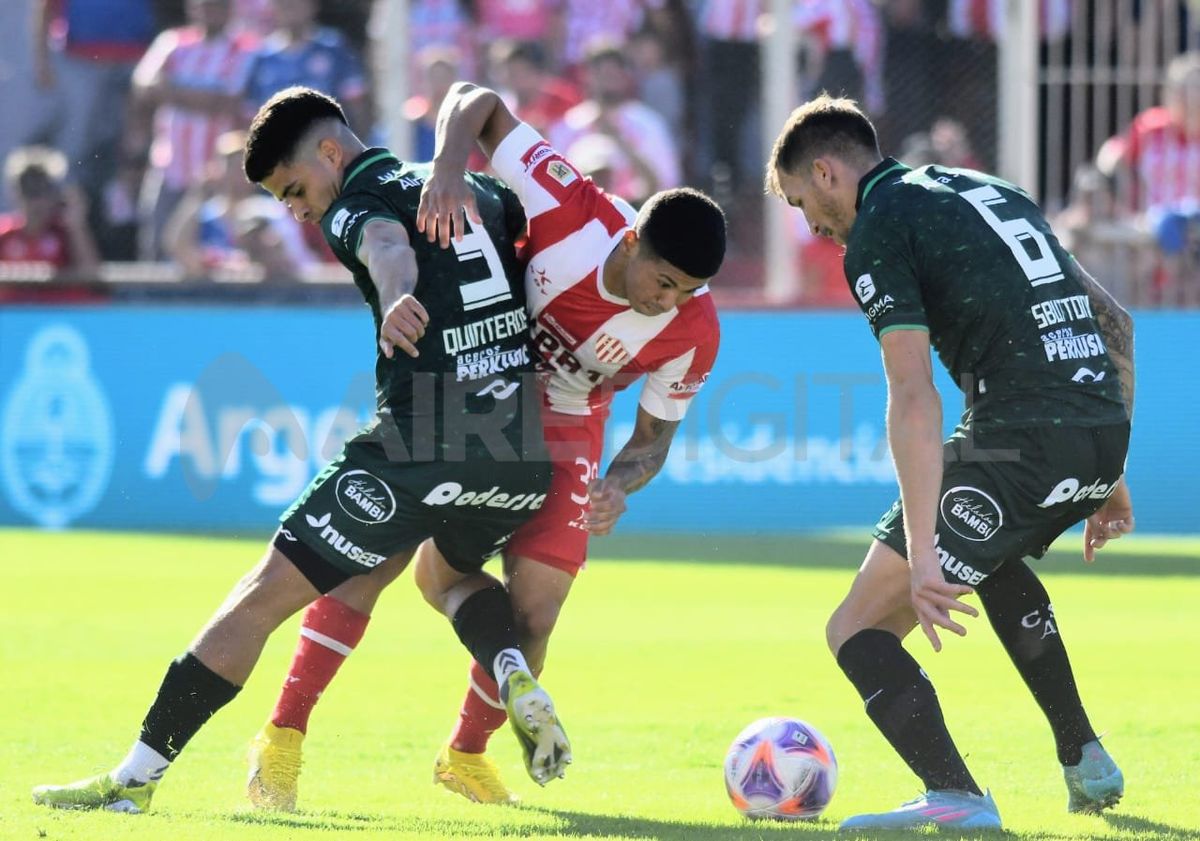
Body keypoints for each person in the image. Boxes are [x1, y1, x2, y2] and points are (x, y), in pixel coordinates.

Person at [31, 86, 569, 814]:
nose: (298, 210)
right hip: (518, 452)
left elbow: (385, 245)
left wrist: (399, 291)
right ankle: (508, 663)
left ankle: (134, 780)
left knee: (260, 596)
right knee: (443, 577)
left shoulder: (356, 201)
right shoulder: (477, 188)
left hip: (423, 439)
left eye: (293, 190)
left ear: (329, 152)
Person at [244, 82, 725, 810]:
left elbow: (652, 441)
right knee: (371, 560)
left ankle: (465, 755)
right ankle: (282, 740)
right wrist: (444, 168)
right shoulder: (574, 210)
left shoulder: (695, 332)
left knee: (537, 610)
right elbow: (475, 97)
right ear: (633, 242)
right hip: (465, 378)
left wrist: (622, 484)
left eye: (686, 291)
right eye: (663, 282)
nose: (669, 302)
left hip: (566, 425)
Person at [766, 94, 1135, 831]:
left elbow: (912, 394)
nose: (812, 225)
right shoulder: (988, 187)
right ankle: (1086, 758)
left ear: (826, 170)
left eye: (806, 203)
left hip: (1021, 437)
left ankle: (956, 795)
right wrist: (1109, 466)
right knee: (991, 555)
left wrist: (924, 552)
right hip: (1096, 430)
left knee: (857, 631)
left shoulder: (879, 226)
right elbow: (1114, 321)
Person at [0, 146, 100, 280]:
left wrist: (77, 226)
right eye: (28, 190)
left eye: (43, 189)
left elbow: (92, 276)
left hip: (57, 301)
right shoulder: (4, 234)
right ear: (15, 193)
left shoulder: (66, 233)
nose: (36, 201)